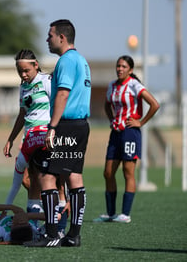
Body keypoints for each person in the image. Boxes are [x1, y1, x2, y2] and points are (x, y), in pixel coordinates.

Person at [25, 19, 91, 248]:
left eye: (50, 34)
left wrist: (52, 128)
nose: (47, 38)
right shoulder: (82, 60)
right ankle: (73, 234)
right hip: (81, 125)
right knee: (74, 176)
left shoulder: (66, 61)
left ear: (62, 37)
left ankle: (52, 233)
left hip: (65, 125)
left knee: (46, 177)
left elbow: (62, 94)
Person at [93, 55, 160, 224]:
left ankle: (125, 214)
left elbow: (155, 104)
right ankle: (110, 213)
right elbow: (107, 104)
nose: (120, 69)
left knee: (127, 172)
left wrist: (140, 122)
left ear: (130, 70)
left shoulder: (134, 85)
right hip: (115, 133)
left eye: (123, 66)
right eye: (118, 66)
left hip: (130, 133)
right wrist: (111, 120)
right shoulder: (112, 86)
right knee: (108, 172)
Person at [3, 49, 51, 215]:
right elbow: (22, 114)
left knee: (40, 179)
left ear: (36, 65)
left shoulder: (46, 81)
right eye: (19, 71)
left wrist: (54, 131)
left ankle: (52, 217)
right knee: (28, 180)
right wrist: (11, 139)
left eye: (26, 70)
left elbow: (59, 106)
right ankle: (42, 213)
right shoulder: (23, 87)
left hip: (44, 137)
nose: (23, 75)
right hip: (29, 138)